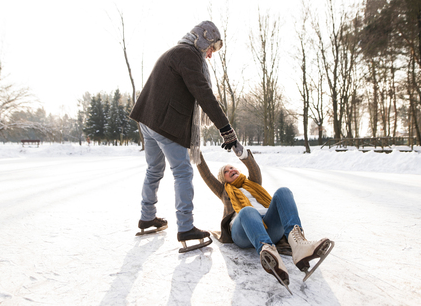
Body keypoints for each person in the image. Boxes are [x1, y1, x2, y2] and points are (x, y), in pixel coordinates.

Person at [129, 21, 238, 253]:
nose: (210, 55)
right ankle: (186, 227)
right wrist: (226, 130)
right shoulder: (187, 55)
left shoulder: (175, 52)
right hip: (165, 125)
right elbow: (204, 94)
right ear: (202, 40)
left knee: (154, 170)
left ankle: (147, 217)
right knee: (183, 172)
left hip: (148, 121)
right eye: (211, 48)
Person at [196, 142, 334, 293]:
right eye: (226, 172)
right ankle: (266, 249)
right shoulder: (223, 190)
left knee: (283, 191)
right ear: (223, 180)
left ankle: (298, 243)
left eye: (231, 167)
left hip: (270, 227)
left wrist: (242, 153)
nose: (230, 170)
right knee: (248, 210)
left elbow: (254, 168)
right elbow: (206, 175)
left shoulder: (253, 183)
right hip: (243, 231)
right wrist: (196, 150)